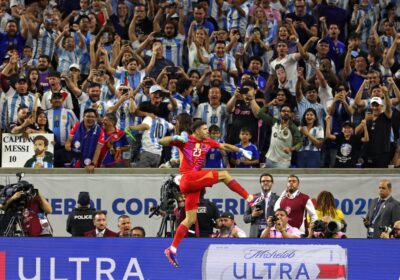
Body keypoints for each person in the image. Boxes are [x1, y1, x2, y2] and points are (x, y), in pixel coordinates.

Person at [159, 117, 258, 268]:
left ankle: (172, 248)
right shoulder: (185, 140)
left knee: (190, 219)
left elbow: (224, 146)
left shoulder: (208, 142)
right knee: (224, 174)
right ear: (197, 130)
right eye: (205, 129)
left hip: (193, 185)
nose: (208, 131)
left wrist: (241, 150)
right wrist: (175, 137)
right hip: (188, 178)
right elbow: (162, 141)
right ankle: (249, 198)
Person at [65, 108, 104, 173]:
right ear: (83, 117)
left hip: (90, 161)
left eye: (92, 117)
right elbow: (69, 140)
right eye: (88, 116)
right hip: (76, 160)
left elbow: (98, 149)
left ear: (95, 118)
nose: (90, 119)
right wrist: (67, 144)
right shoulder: (76, 125)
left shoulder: (100, 131)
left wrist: (93, 164)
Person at [243, 173, 279, 238]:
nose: (265, 183)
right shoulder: (252, 198)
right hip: (255, 234)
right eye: (263, 181)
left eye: (268, 181)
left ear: (272, 183)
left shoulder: (278, 199)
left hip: (272, 234)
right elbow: (245, 219)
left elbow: (281, 218)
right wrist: (252, 215)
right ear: (260, 183)